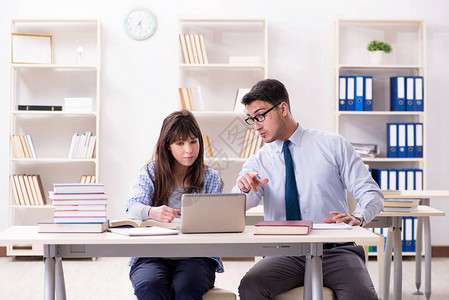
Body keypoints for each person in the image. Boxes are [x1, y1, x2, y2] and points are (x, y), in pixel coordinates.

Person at [232, 79, 384, 299]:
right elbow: (237, 207)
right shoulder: (259, 161)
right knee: (251, 286)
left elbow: (371, 193)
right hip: (283, 252)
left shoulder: (333, 145)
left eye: (261, 116)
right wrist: (243, 189)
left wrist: (358, 216)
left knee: (361, 295)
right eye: (252, 119)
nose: (256, 126)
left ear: (283, 108)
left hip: (335, 250)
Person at [126, 110, 224, 300]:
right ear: (168, 146)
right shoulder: (151, 173)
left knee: (186, 288)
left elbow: (218, 220)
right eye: (180, 143)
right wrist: (152, 212)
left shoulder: (210, 178)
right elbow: (131, 207)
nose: (189, 150)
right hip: (152, 254)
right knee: (151, 285)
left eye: (193, 141)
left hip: (197, 256)